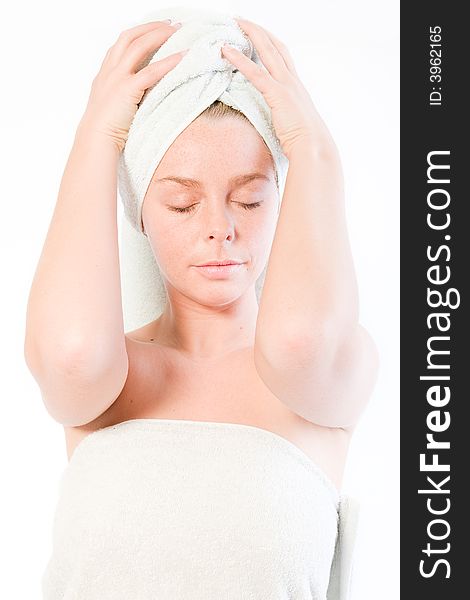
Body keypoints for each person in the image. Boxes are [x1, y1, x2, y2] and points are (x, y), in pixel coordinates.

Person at [24, 13, 379, 599]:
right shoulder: (107, 377)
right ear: (140, 213)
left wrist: (314, 150)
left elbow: (299, 342)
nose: (220, 229)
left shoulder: (320, 379)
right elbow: (69, 353)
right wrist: (97, 139)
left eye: (249, 199)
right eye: (182, 205)